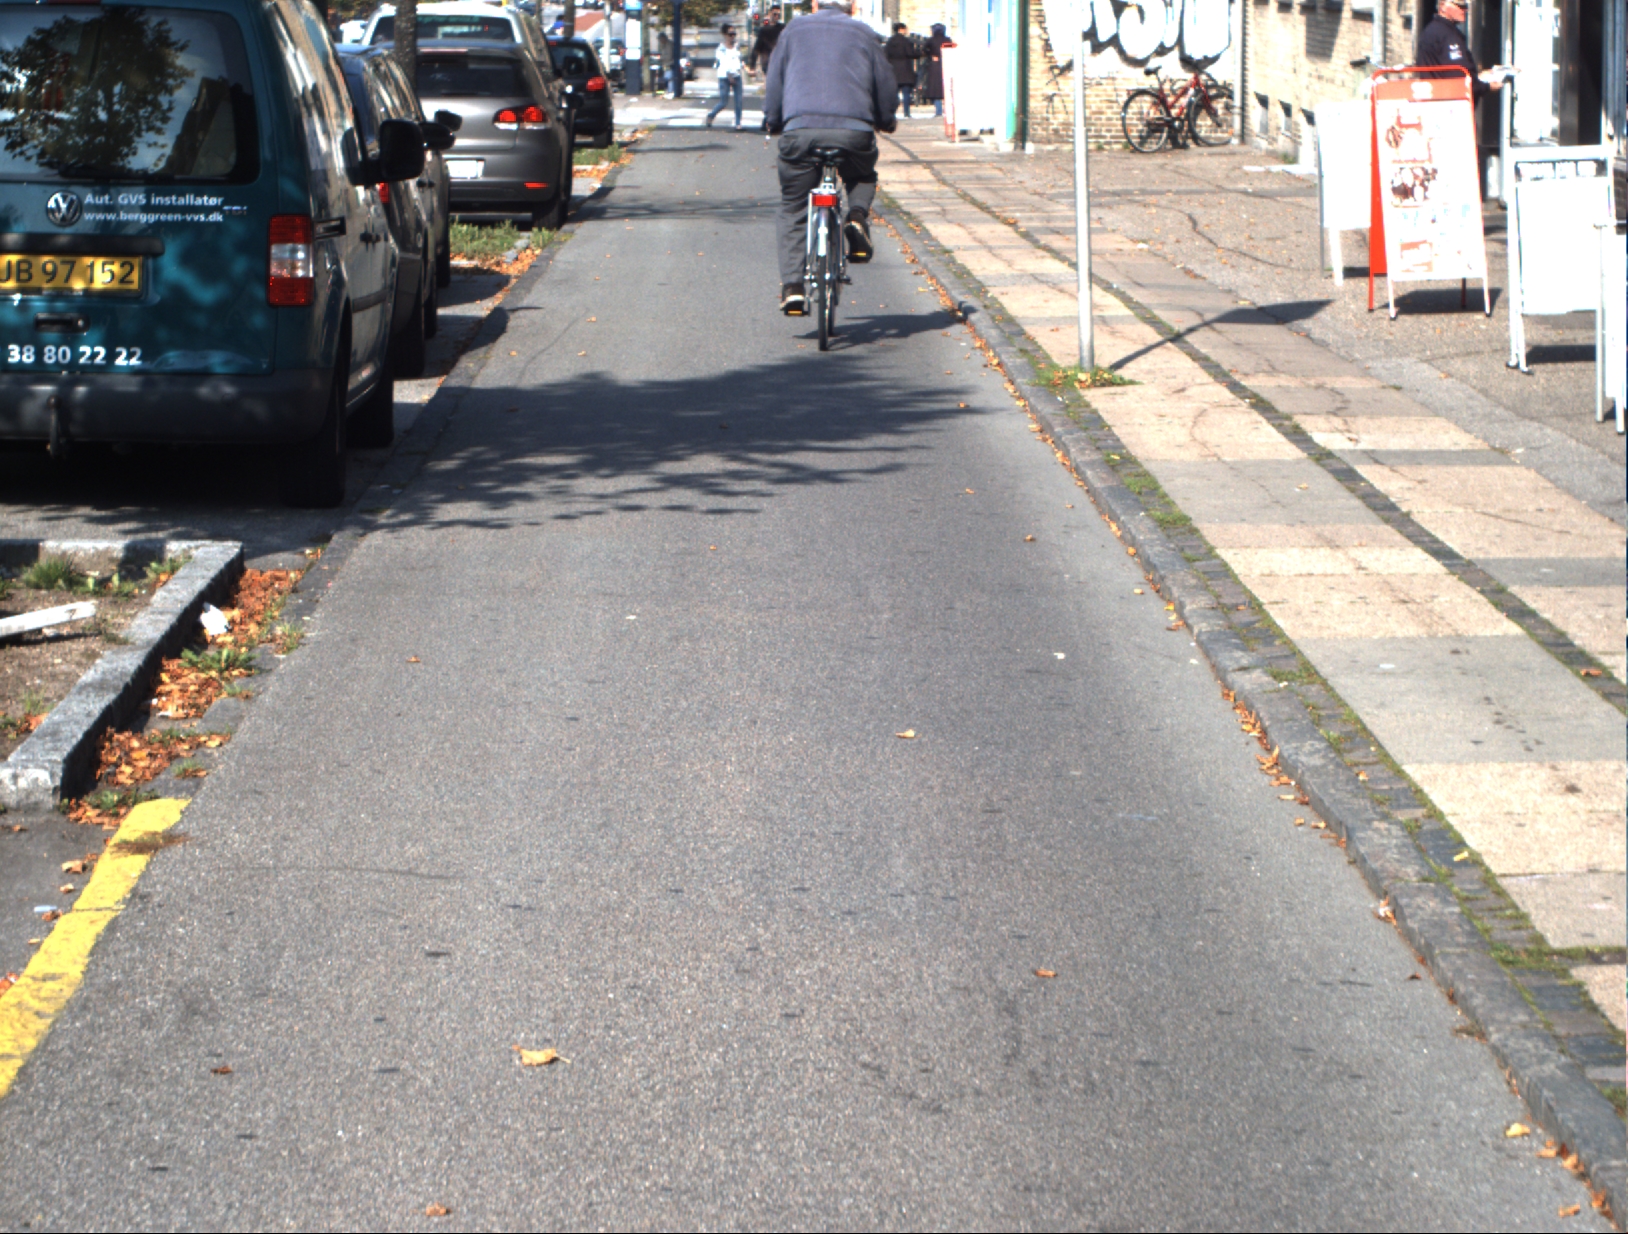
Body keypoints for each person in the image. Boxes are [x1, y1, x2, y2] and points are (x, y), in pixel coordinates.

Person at [763, 0, 898, 315]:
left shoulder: (793, 30)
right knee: (862, 175)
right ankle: (856, 217)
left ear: (815, 4)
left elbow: (775, 78)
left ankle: (793, 287)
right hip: (853, 131)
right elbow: (884, 81)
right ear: (851, 6)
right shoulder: (864, 33)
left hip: (801, 130)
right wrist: (885, 118)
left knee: (794, 206)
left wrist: (773, 119)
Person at [1417, 1, 1503, 101]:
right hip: (1450, 103)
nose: (1465, 10)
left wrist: (1478, 77)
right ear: (1443, 6)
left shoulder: (1434, 31)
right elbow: (1459, 79)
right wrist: (1487, 86)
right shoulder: (1446, 35)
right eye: (1460, 6)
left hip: (1436, 100)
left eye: (1465, 6)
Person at [706, 26, 746, 129]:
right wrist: (729, 76)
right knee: (723, 102)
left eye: (734, 34)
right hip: (724, 77)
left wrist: (747, 69)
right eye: (730, 34)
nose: (732, 36)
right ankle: (711, 115)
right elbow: (723, 63)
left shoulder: (737, 47)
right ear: (725, 35)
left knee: (739, 100)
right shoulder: (721, 49)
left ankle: (738, 123)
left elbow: (740, 60)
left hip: (736, 75)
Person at [884, 23, 918, 119]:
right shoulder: (906, 41)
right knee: (906, 93)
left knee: (894, 94)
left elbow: (885, 54)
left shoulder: (890, 41)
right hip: (905, 70)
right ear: (901, 29)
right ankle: (906, 112)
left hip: (893, 70)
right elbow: (911, 53)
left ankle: (892, 113)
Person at [921, 23, 952, 118]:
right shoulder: (947, 40)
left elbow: (924, 49)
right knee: (946, 87)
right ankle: (948, 110)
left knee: (935, 89)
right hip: (946, 64)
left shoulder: (931, 40)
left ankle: (938, 110)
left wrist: (931, 55)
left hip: (934, 65)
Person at [748, 12, 783, 78]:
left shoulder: (780, 29)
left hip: (772, 62)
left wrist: (752, 67)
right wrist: (752, 67)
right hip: (770, 62)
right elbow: (756, 49)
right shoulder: (764, 31)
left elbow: (756, 49)